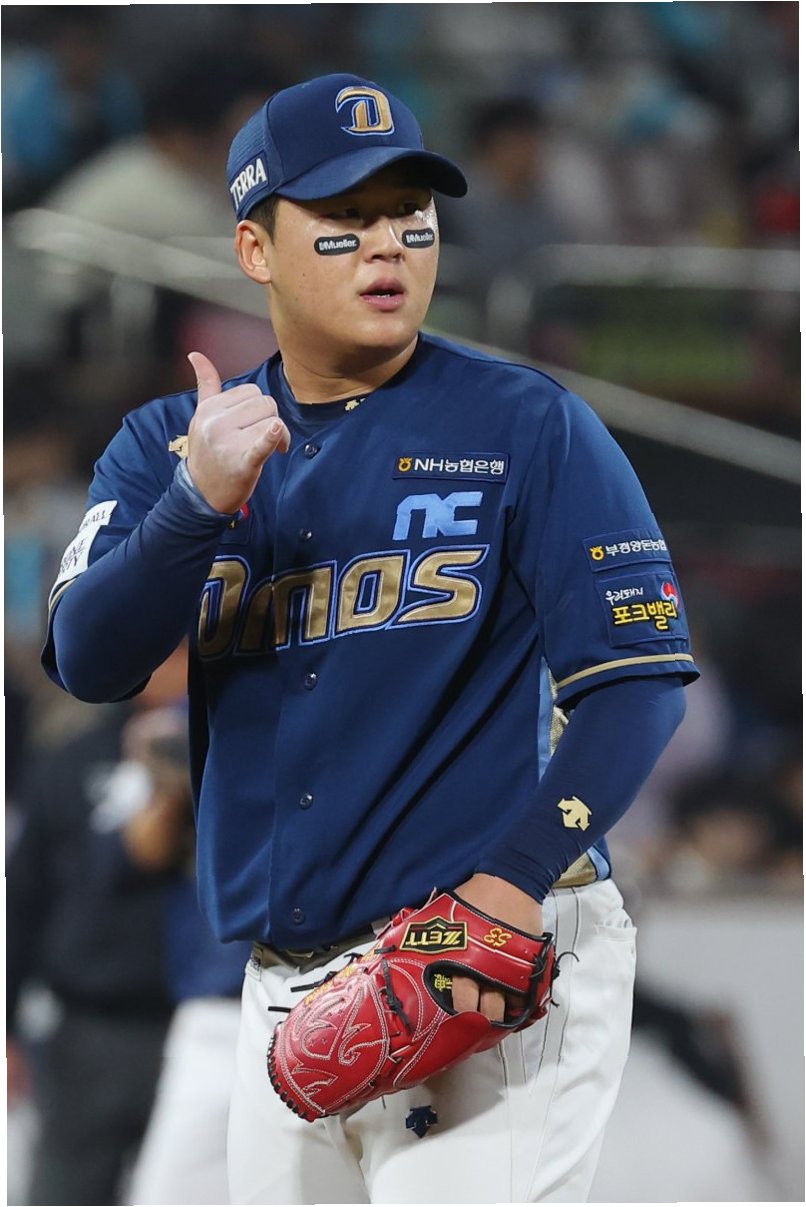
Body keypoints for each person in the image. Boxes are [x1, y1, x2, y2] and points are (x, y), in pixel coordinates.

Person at [43, 73, 699, 1204]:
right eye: (343, 222)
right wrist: (194, 507)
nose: (388, 245)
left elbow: (638, 685)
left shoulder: (526, 424)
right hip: (281, 989)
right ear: (255, 249)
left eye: (411, 216)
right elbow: (89, 660)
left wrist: (512, 882)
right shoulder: (171, 445)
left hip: (485, 954)